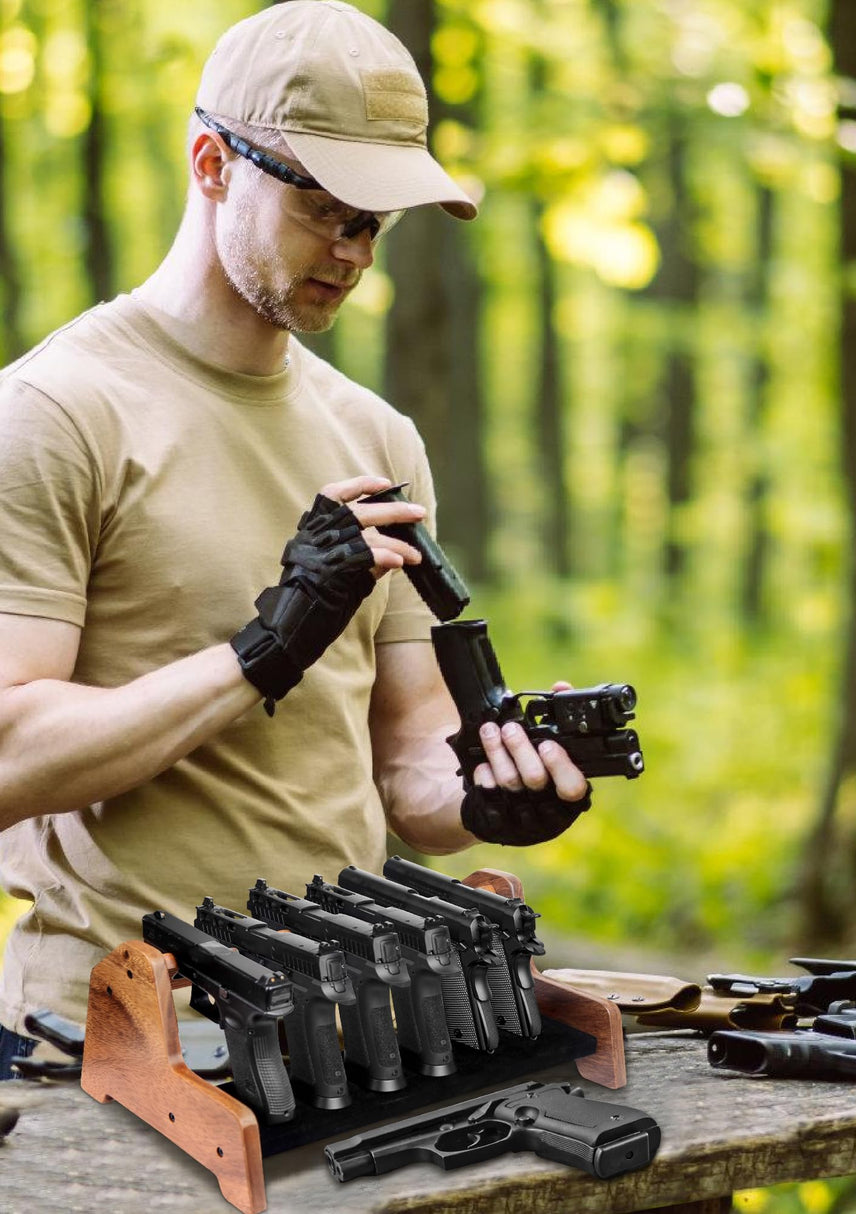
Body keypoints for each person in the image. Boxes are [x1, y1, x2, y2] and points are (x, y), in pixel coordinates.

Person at [0, 0, 589, 1074]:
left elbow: (405, 764)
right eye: (327, 209)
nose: (355, 252)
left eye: (377, 222)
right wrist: (260, 650)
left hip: (340, 1030)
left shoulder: (375, 435)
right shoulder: (56, 409)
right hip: (103, 1039)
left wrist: (481, 795)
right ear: (211, 162)